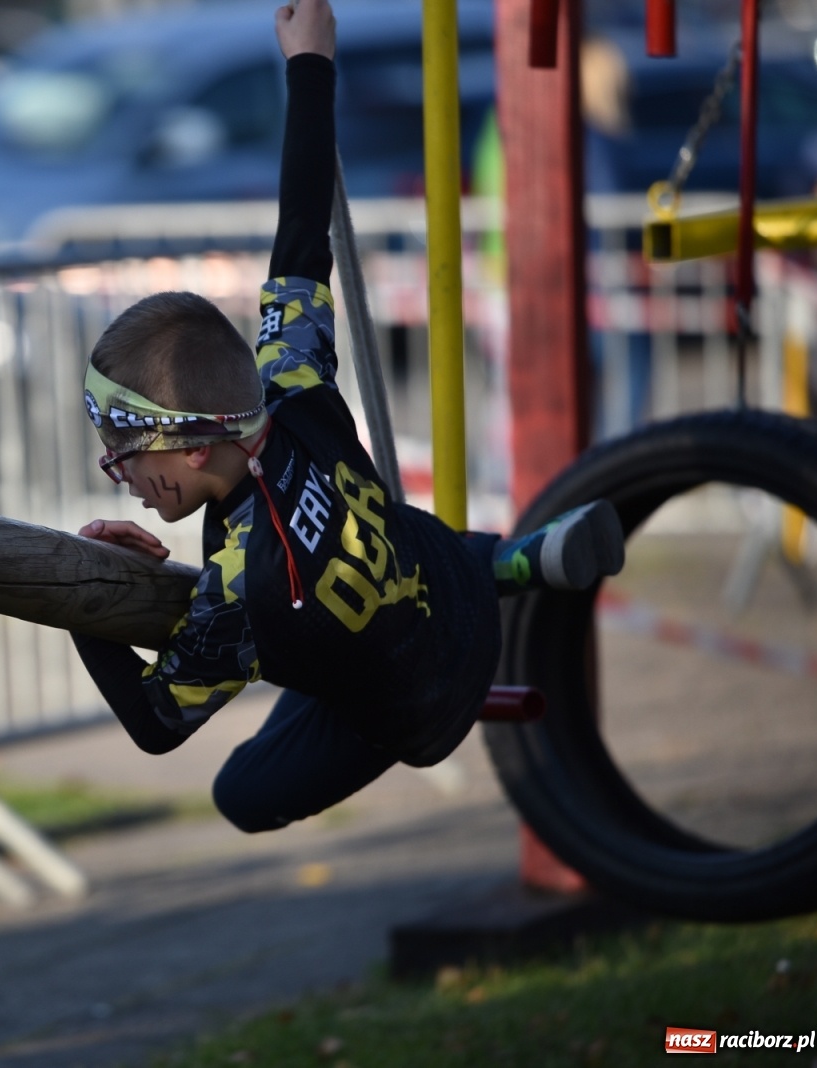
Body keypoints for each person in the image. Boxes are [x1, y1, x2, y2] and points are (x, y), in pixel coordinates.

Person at [70, 0, 625, 834]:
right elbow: (302, 233)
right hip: (437, 579)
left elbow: (155, 725)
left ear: (188, 449)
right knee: (339, 601)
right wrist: (310, 61)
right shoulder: (288, 382)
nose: (125, 480)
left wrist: (85, 604)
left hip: (412, 696)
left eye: (125, 458)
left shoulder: (237, 591)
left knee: (241, 795)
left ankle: (502, 566)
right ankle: (512, 563)